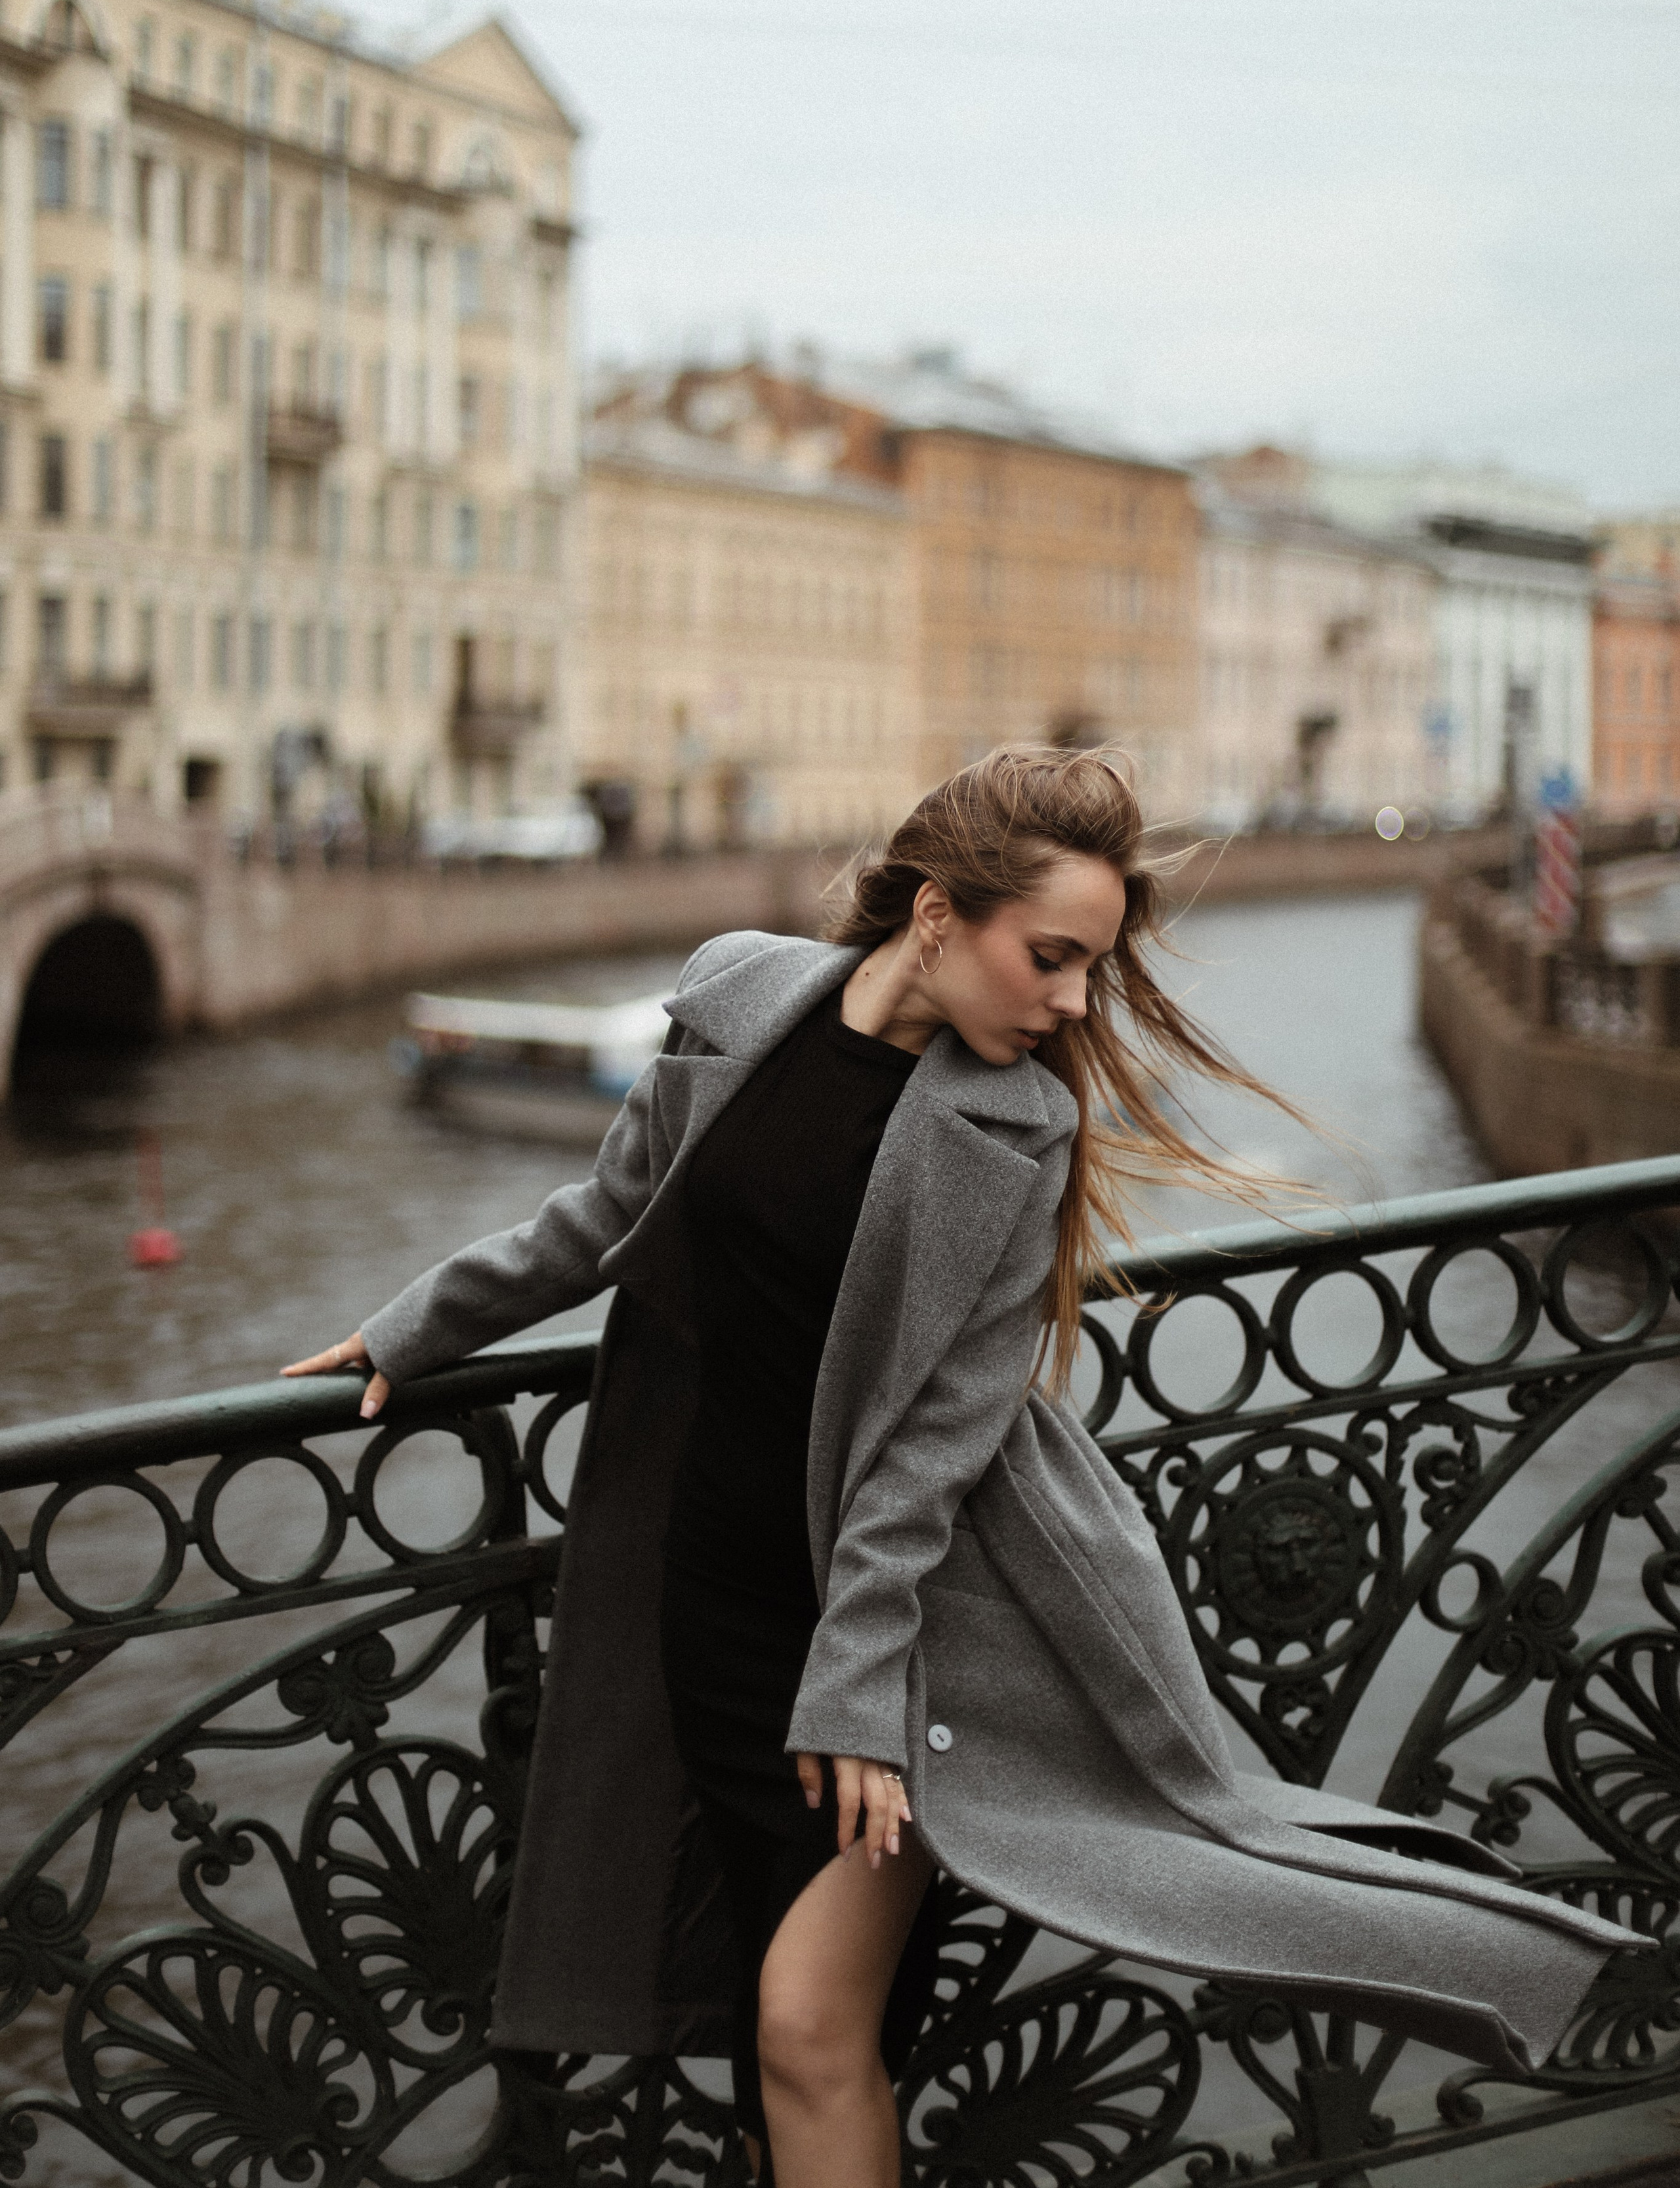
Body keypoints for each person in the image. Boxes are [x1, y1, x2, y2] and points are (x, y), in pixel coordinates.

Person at [285, 746, 1636, 2188]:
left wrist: (857, 1681)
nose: (1068, 1002)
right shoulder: (740, 997)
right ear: (935, 914)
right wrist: (411, 1327)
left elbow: (931, 1447)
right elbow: (607, 1211)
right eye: (1049, 957)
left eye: (1088, 971)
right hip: (709, 1605)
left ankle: (1517, 1966)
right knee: (768, 2037)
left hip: (899, 1639)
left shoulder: (1017, 1128)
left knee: (810, 2031)